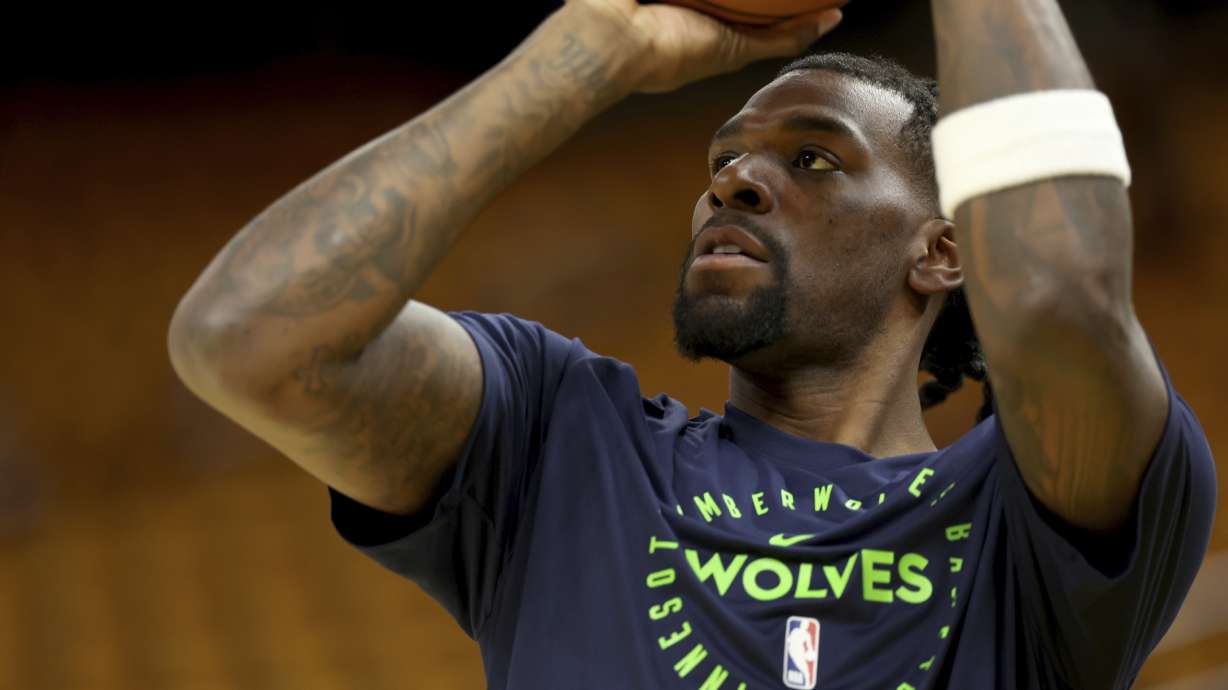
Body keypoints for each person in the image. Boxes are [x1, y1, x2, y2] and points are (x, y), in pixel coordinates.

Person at [167, 0, 1216, 687]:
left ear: (943, 253)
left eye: (814, 160)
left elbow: (1061, 295)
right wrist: (588, 49)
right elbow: (245, 338)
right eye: (723, 160)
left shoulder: (1022, 520)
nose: (734, 180)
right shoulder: (557, 439)